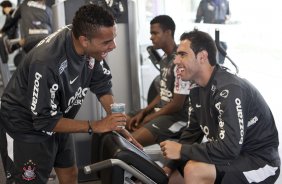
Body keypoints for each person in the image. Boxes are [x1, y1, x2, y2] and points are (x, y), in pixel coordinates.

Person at [0, 4, 141, 184]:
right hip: (25, 126)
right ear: (84, 40)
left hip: (58, 118)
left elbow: (102, 85)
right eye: (106, 42)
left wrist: (115, 120)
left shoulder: (91, 51)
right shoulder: (47, 61)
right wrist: (95, 125)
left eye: (113, 39)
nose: (113, 46)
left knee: (69, 174)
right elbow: (44, 120)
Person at [160, 30, 280, 183]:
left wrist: (181, 150)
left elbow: (229, 148)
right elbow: (191, 135)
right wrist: (169, 166)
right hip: (233, 156)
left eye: (182, 54)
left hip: (260, 162)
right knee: (175, 177)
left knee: (194, 171)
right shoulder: (196, 90)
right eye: (177, 55)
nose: (176, 60)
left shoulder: (229, 89)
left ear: (202, 56)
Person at [126, 15, 191, 147]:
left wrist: (149, 118)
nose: (151, 37)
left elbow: (177, 105)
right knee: (122, 123)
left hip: (177, 116)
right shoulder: (165, 59)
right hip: (161, 110)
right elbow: (163, 92)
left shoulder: (179, 61)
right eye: (151, 33)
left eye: (155, 33)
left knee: (129, 143)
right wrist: (144, 111)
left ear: (168, 33)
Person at [195, 0, 230, 64]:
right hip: (208, 34)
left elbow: (228, 14)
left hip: (221, 34)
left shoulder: (225, 2)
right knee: (210, 50)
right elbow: (198, 18)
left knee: (223, 47)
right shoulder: (204, 2)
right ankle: (211, 66)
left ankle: (220, 67)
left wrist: (227, 18)